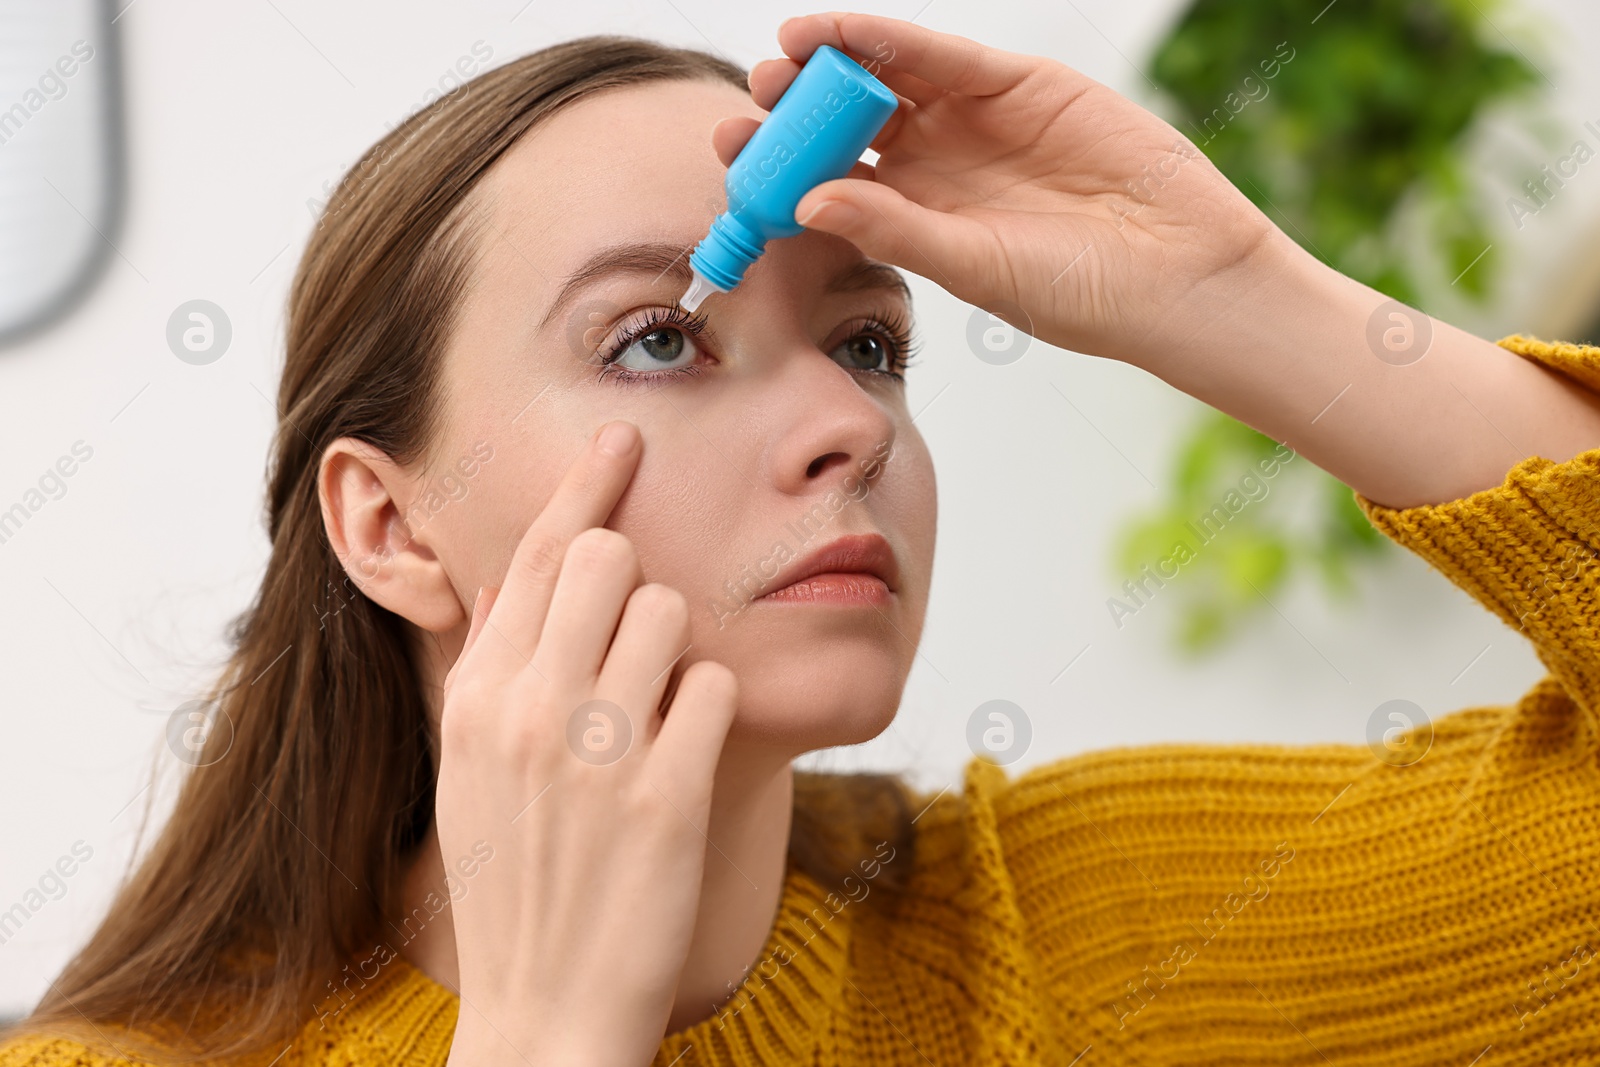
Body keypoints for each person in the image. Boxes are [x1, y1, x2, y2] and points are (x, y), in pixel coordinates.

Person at [6, 10, 1600, 1067]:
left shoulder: (1067, 943)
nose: (853, 428)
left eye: (868, 346)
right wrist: (555, 1036)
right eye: (655, 339)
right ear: (389, 525)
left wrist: (1249, 305)